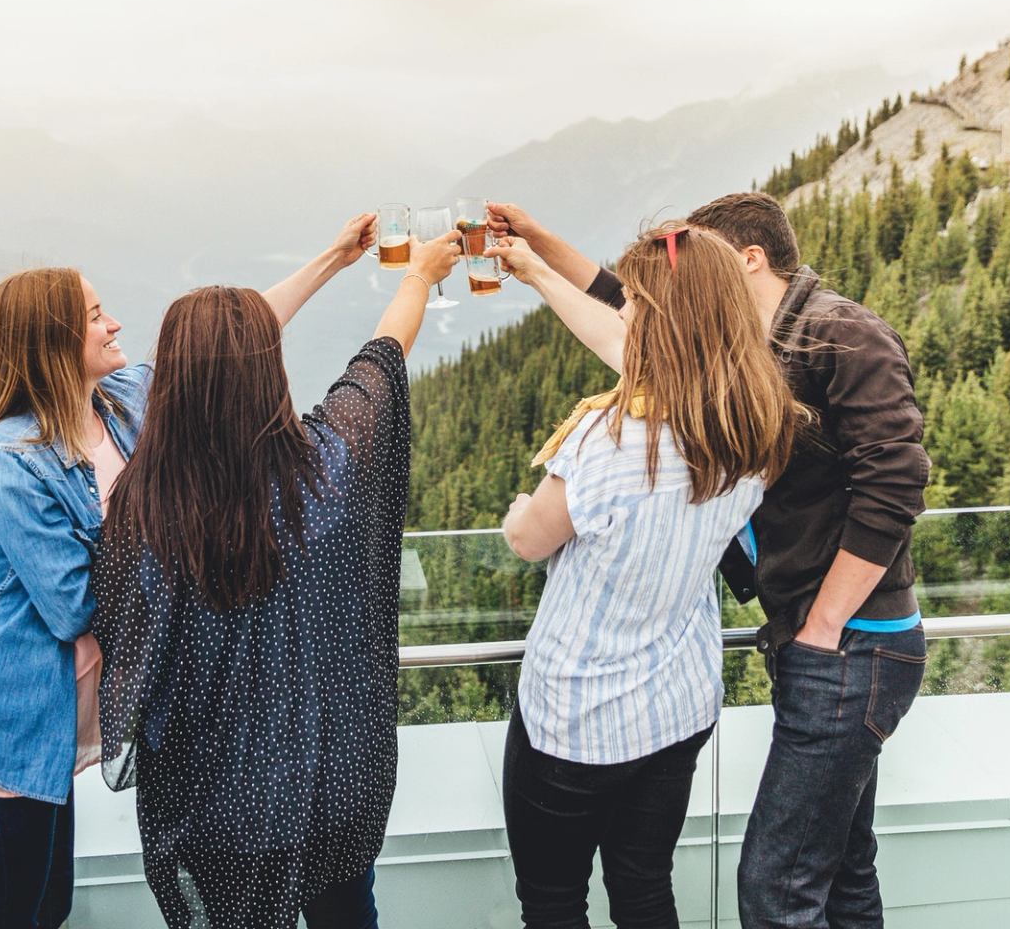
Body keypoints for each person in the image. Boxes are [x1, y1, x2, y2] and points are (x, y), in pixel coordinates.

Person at [0, 215, 382, 929]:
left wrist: (335, 259)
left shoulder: (118, 402)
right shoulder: (10, 461)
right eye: (95, 315)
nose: (114, 322)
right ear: (53, 342)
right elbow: (74, 606)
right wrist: (208, 574)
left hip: (38, 746)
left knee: (47, 910)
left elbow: (230, 344)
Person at [491, 193, 930, 929]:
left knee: (775, 890)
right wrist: (539, 254)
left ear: (747, 261)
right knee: (842, 868)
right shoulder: (747, 388)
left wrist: (822, 627)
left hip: (851, 645)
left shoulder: (840, 335)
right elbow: (634, 316)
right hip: (795, 653)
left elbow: (896, 485)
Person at [95, 228, 462, 929]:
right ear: (268, 375)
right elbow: (379, 363)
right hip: (330, 787)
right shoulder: (325, 469)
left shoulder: (141, 507)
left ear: (169, 379)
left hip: (213, 804)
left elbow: (122, 635)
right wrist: (418, 276)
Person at [495, 224, 801, 929]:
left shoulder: (606, 445)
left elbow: (528, 541)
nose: (623, 312)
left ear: (664, 322)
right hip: (675, 708)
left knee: (552, 899)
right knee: (641, 886)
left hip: (577, 719)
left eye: (632, 301)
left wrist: (519, 506)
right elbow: (634, 353)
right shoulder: (758, 418)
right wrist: (538, 272)